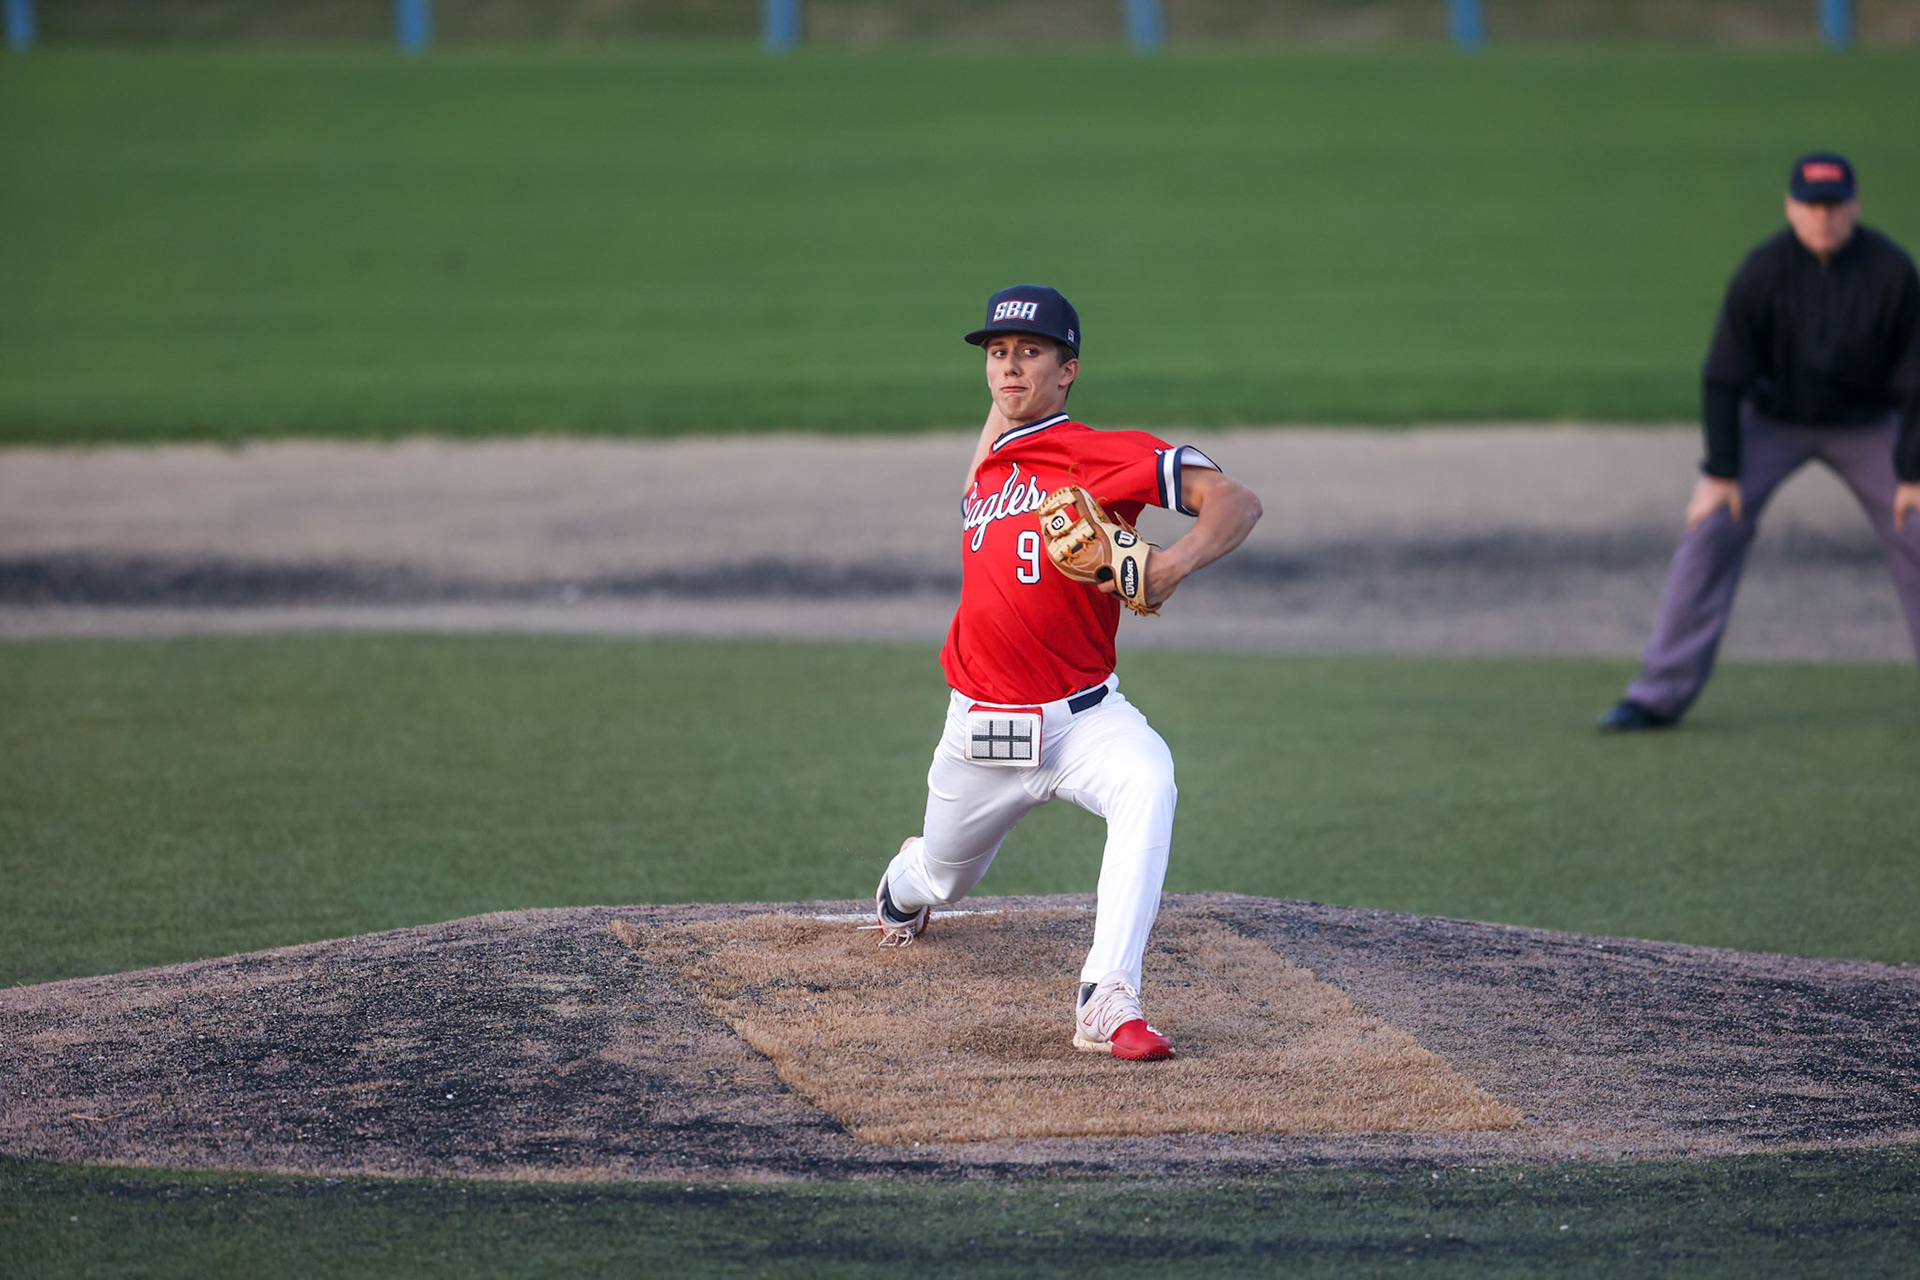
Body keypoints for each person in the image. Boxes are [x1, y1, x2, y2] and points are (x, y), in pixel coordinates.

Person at [865, 284, 1262, 1060]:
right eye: (998, 354)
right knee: (941, 878)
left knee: (1150, 779)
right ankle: (901, 888)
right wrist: (1004, 407)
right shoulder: (991, 467)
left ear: (1068, 368)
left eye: (1030, 353)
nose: (1009, 368)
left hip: (1085, 722)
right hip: (979, 734)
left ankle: (1106, 996)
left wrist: (1172, 565)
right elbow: (992, 448)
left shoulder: (1102, 454)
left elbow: (1236, 501)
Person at [1599, 152, 1920, 731]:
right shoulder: (1762, 272)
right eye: (1811, 205)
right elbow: (1723, 374)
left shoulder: (1893, 273)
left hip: (1869, 425)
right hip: (1774, 421)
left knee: (1918, 526)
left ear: (1856, 206)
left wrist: (1914, 472)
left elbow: (1917, 378)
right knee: (1711, 527)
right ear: (1790, 207)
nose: (1824, 217)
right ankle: (1657, 694)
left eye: (1835, 204)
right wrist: (1720, 471)